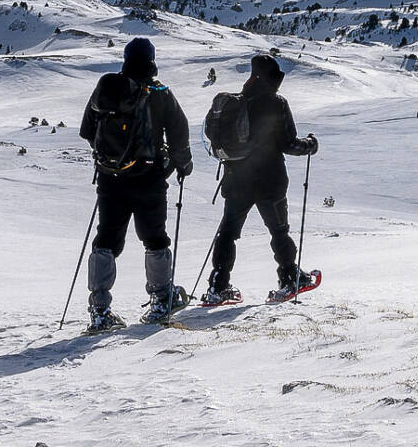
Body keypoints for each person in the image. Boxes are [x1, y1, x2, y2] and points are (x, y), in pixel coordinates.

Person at [79, 37, 192, 331]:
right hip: (149, 177)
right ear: (152, 60)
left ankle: (99, 310)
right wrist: (183, 164)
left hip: (110, 178)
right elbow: (179, 133)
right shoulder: (160, 93)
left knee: (106, 239)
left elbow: (86, 129)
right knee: (154, 238)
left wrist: (111, 159)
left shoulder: (107, 86)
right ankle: (160, 300)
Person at [201, 54, 319, 304]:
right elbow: (289, 144)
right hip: (270, 180)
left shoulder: (237, 103)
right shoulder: (277, 103)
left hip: (236, 179)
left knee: (228, 232)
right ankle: (289, 278)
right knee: (279, 231)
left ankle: (218, 285)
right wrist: (310, 145)